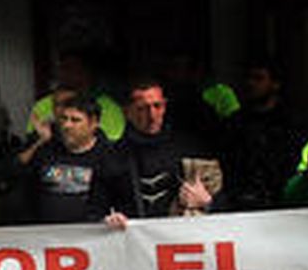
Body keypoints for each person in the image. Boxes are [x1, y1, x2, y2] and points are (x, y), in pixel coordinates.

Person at [17, 94, 135, 224]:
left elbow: (124, 201)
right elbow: (14, 173)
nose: (67, 125)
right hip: (45, 238)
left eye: (75, 120)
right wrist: (40, 142)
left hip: (90, 238)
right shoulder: (46, 150)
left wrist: (116, 218)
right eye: (64, 119)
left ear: (94, 123)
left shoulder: (109, 156)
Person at [123, 79, 217, 218]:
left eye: (157, 106)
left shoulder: (190, 149)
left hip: (181, 234)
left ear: (165, 106)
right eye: (142, 108)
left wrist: (208, 202)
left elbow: (224, 203)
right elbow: (97, 207)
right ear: (127, 112)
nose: (152, 115)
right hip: (132, 236)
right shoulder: (114, 154)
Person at [225, 60, 302, 212]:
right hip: (240, 203)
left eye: (259, 78)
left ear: (275, 84)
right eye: (249, 78)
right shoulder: (236, 122)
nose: (251, 83)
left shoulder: (290, 122)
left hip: (281, 204)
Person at [30, 50, 126, 142]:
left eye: (72, 68)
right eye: (63, 68)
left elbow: (114, 144)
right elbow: (31, 143)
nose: (66, 74)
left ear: (87, 72)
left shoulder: (110, 108)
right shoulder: (42, 105)